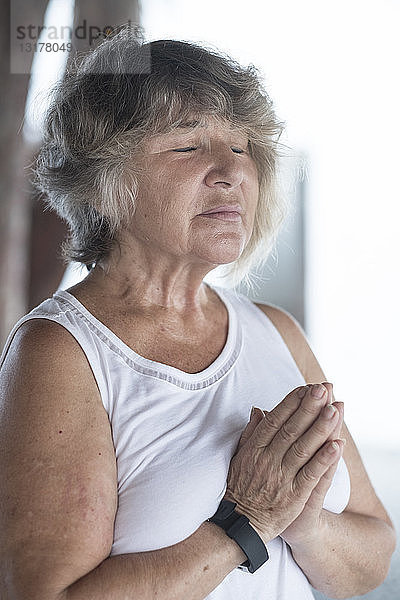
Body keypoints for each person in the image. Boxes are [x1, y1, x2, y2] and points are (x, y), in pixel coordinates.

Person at [0, 28, 395, 600]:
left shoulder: (275, 329)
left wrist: (303, 520)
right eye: (188, 146)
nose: (231, 170)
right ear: (104, 183)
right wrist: (248, 522)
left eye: (241, 148)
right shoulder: (61, 350)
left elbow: (373, 554)